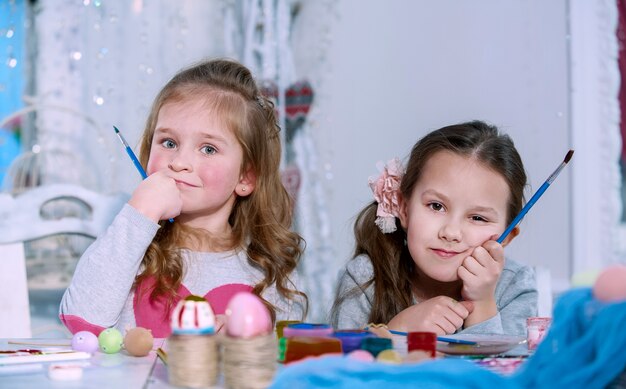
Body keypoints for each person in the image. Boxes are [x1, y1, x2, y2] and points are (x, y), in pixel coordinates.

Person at [60, 59, 307, 337]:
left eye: (208, 149)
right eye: (169, 143)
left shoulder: (268, 273)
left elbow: (283, 367)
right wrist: (140, 212)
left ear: (245, 178)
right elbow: (80, 322)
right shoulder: (129, 249)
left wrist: (245, 341)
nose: (179, 162)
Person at [331, 121, 537, 337]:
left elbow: (504, 370)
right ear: (403, 208)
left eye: (477, 217)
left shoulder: (515, 286)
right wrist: (396, 330)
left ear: (507, 235)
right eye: (436, 206)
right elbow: (344, 367)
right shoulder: (364, 278)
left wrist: (482, 303)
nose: (451, 232)